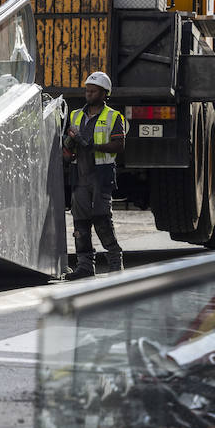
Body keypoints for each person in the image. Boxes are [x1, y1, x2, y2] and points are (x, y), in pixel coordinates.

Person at [63, 71, 129, 280]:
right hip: (79, 176)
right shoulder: (75, 115)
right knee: (80, 221)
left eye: (93, 91)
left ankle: (114, 261)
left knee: (101, 217)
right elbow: (66, 149)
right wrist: (69, 144)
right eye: (87, 90)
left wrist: (93, 146)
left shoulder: (113, 116)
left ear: (104, 93)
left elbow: (119, 145)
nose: (88, 94)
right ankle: (85, 266)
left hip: (101, 176)